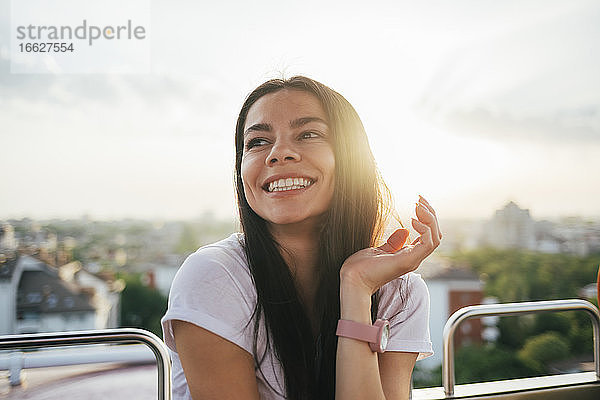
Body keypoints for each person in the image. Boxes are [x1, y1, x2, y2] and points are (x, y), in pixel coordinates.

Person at [161, 76, 442, 400]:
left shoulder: (401, 292)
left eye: (308, 134)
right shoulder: (214, 277)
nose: (278, 153)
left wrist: (356, 287)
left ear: (350, 158)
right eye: (257, 142)